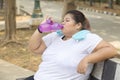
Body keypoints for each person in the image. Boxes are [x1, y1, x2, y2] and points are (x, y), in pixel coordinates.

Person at [18, 10, 117, 80]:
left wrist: (87, 59)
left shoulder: (87, 38)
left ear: (78, 25)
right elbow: (34, 48)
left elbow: (111, 50)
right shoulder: (55, 36)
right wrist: (40, 30)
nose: (63, 23)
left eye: (67, 20)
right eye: (63, 20)